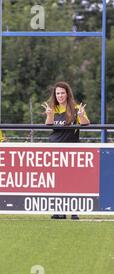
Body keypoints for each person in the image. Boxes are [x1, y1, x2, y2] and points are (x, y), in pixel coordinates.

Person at [42, 81, 90, 220]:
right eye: (57, 93)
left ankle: (74, 211)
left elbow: (86, 123)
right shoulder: (53, 109)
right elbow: (48, 124)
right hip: (55, 149)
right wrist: (49, 114)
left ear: (67, 94)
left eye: (62, 93)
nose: (60, 95)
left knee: (73, 181)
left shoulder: (76, 108)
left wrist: (80, 115)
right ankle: (59, 211)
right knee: (57, 181)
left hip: (71, 150)